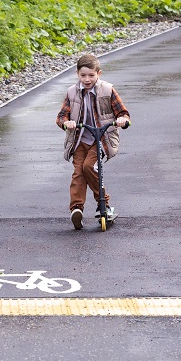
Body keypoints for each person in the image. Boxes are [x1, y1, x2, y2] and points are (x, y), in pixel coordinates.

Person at [56, 53, 130, 230]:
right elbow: (61, 117)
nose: (87, 79)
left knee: (90, 167)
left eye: (91, 75)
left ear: (99, 73)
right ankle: (77, 209)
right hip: (80, 139)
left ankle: (103, 204)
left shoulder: (107, 90)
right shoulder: (72, 92)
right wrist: (66, 123)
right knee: (78, 173)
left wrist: (122, 121)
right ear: (77, 74)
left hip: (101, 138)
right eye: (83, 75)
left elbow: (123, 113)